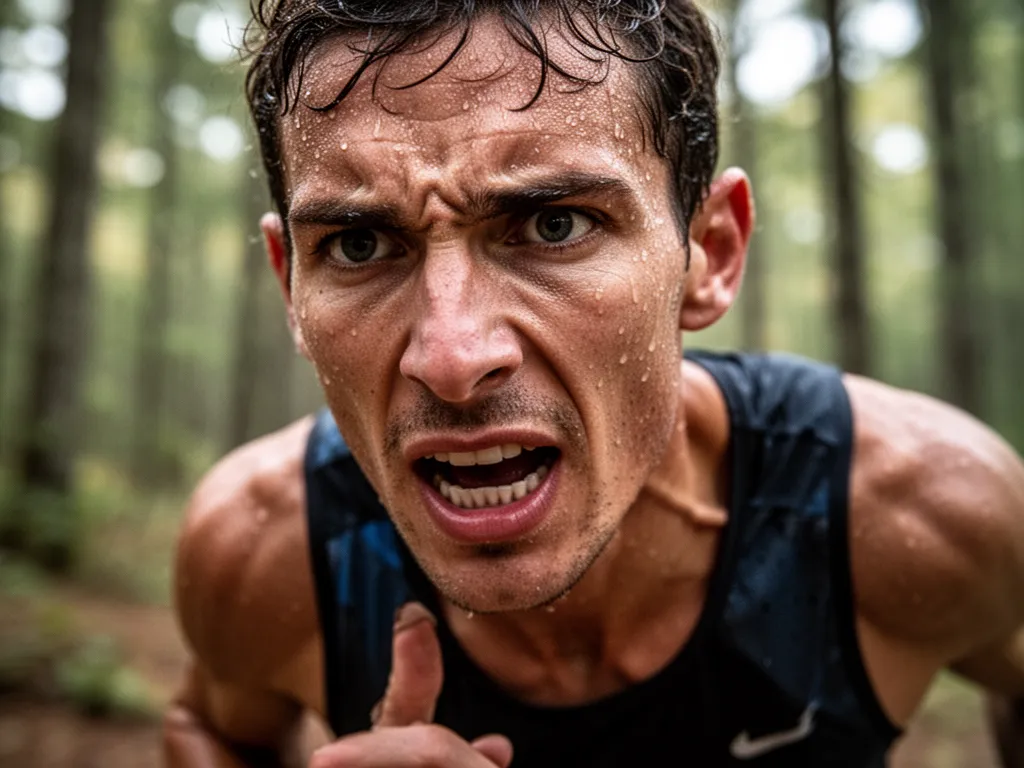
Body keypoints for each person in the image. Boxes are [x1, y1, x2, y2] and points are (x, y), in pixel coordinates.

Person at [162, 1, 1024, 766]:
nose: (453, 358)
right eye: (357, 245)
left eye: (553, 224)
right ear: (290, 288)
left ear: (710, 253)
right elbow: (210, 729)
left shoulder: (917, 514)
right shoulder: (265, 552)